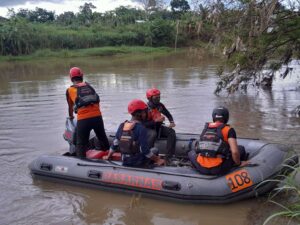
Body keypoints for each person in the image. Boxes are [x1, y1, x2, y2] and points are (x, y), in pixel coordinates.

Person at [104, 99, 165, 167]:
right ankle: (148, 167)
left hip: (125, 160)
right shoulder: (141, 128)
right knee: (155, 150)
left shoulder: (122, 125)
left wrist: (108, 156)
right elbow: (145, 151)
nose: (146, 113)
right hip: (137, 162)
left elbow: (115, 143)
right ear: (139, 114)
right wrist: (157, 160)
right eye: (145, 111)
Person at [188, 106, 249, 175]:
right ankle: (238, 168)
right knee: (241, 149)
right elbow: (234, 152)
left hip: (202, 168)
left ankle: (195, 168)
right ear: (226, 117)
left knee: (191, 153)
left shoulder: (205, 128)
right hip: (218, 168)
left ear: (213, 117)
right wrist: (239, 163)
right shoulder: (229, 130)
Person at [66, 67, 110, 158]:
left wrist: (71, 117)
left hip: (83, 119)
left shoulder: (70, 90)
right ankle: (109, 157)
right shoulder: (89, 86)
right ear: (81, 76)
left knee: (80, 143)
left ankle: (80, 162)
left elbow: (70, 107)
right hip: (97, 117)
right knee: (102, 138)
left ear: (71, 78)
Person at [143, 88, 176, 159]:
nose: (158, 99)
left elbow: (168, 114)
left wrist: (172, 122)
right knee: (153, 134)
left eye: (159, 97)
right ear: (150, 98)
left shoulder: (160, 106)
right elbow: (142, 124)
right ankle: (148, 155)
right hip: (148, 129)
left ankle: (168, 157)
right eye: (156, 97)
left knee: (171, 132)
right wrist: (156, 121)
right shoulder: (145, 109)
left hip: (158, 128)